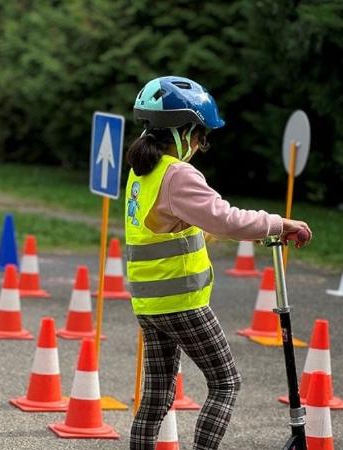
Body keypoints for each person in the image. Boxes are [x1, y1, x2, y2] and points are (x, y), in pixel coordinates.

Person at [125, 76, 311, 450]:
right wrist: (279, 222)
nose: (201, 145)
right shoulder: (177, 174)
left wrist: (257, 233)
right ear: (183, 131)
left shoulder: (141, 174)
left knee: (157, 395)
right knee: (226, 382)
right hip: (183, 303)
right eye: (200, 135)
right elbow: (225, 218)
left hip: (150, 304)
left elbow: (187, 226)